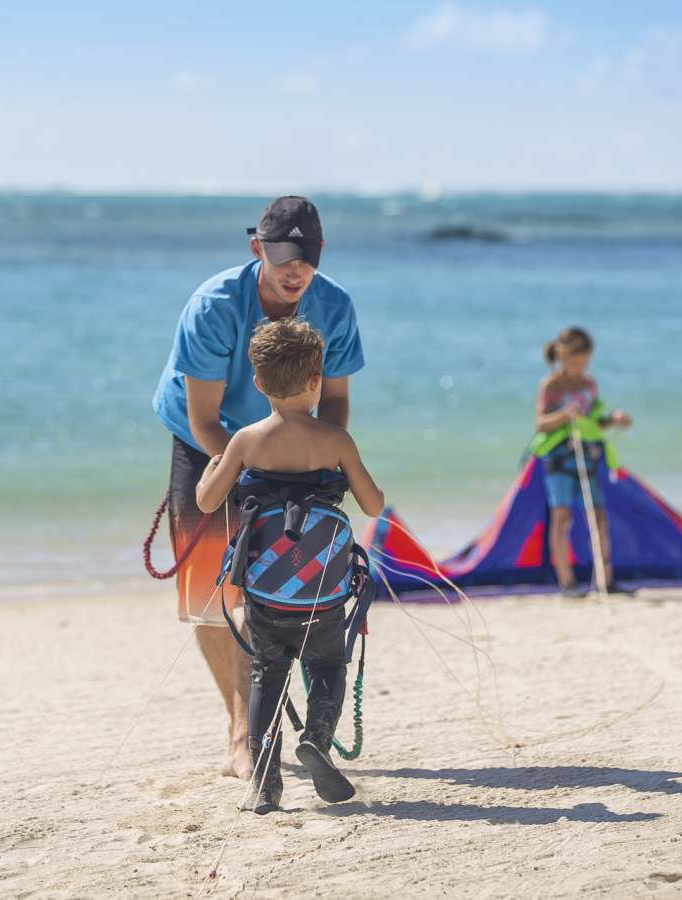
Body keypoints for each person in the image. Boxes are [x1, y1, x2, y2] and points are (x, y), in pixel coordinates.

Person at [151, 196, 365, 779]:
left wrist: (319, 464)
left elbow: (336, 402)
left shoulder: (335, 306)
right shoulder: (215, 305)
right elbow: (203, 418)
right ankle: (240, 732)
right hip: (209, 440)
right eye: (283, 258)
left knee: (283, 583)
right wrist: (246, 471)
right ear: (257, 250)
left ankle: (271, 720)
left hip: (293, 445)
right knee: (209, 595)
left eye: (307, 258)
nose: (296, 271)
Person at [196, 318, 384, 813]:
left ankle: (265, 782)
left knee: (267, 674)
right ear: (316, 380)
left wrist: (211, 471)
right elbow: (373, 505)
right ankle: (316, 739)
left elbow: (208, 502)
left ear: (258, 383)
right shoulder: (335, 439)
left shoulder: (245, 440)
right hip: (322, 592)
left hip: (266, 594)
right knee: (326, 666)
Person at [528, 326, 633, 597]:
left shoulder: (589, 384)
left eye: (585, 363)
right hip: (559, 459)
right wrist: (564, 414)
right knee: (562, 517)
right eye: (576, 363)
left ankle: (605, 581)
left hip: (587, 456)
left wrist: (613, 420)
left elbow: (594, 422)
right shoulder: (550, 386)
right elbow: (540, 424)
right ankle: (567, 583)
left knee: (598, 516)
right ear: (563, 357)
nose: (581, 369)